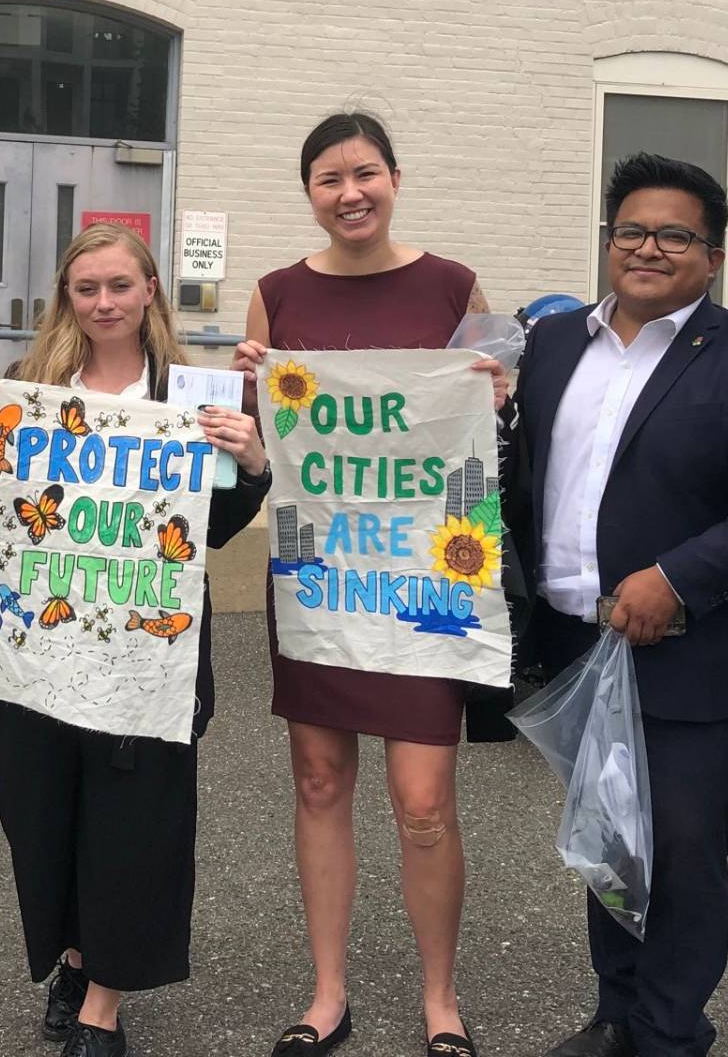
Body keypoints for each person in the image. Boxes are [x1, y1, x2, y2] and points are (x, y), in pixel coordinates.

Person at [506, 153, 728, 1057]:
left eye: (674, 234)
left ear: (713, 255)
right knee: (607, 842)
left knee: (685, 858)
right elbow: (526, 476)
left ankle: (670, 1033)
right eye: (630, 231)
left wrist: (676, 576)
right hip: (576, 642)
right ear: (609, 240)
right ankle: (617, 1013)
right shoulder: (556, 343)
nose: (648, 248)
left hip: (688, 654)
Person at [0, 222, 270, 1057]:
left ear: (150, 291)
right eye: (85, 288)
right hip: (36, 654)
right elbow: (3, 515)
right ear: (68, 296)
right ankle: (73, 955)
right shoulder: (33, 386)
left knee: (134, 834)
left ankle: (103, 1006)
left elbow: (219, 529)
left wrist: (254, 461)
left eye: (119, 287)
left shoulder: (192, 394)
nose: (102, 303)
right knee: (43, 821)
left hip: (149, 660)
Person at [231, 111, 507, 1057]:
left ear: (395, 177)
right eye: (328, 179)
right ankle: (328, 992)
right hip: (317, 573)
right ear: (307, 192)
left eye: (366, 174)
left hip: (425, 579)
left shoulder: (456, 285)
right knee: (318, 781)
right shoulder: (274, 295)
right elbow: (261, 450)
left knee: (424, 800)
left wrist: (494, 397)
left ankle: (440, 998)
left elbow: (490, 432)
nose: (350, 193)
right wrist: (249, 417)